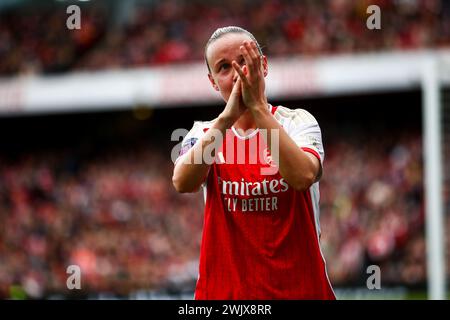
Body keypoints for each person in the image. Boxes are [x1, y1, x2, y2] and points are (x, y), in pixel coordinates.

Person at [172, 26, 335, 300]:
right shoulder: (204, 133)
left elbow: (302, 176)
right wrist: (226, 119)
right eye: (224, 67)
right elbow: (182, 182)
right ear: (213, 82)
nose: (237, 73)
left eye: (245, 61)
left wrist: (257, 108)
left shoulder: (297, 122)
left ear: (264, 66)